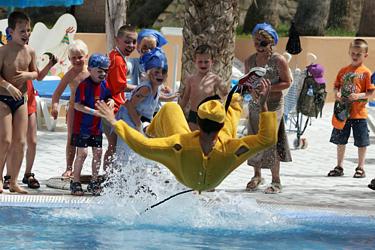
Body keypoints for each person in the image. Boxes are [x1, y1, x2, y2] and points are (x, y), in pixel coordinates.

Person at [95, 78, 278, 192]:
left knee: (172, 108)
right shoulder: (231, 147)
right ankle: (237, 96)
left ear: (197, 123)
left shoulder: (179, 144)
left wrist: (114, 122)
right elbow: (268, 138)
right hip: (215, 176)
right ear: (219, 126)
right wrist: (263, 104)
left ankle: (150, 129)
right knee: (231, 117)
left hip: (186, 176)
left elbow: (141, 145)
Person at [244, 23, 292, 194]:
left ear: (271, 43)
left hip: (273, 104)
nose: (259, 46)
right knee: (255, 138)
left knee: (271, 139)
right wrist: (252, 91)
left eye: (263, 43)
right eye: (256, 42)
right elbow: (247, 83)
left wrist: (268, 88)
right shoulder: (250, 60)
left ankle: (276, 180)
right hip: (256, 104)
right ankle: (256, 175)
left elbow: (287, 82)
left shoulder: (278, 60)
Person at [0, 11, 39, 194]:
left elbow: (36, 73)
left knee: (21, 142)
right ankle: (0, 178)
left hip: (21, 100)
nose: (26, 34)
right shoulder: (3, 51)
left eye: (28, 30)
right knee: (5, 140)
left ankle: (14, 181)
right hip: (3, 99)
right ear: (10, 31)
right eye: (22, 31)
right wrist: (7, 86)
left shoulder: (30, 51)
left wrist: (27, 75)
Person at [327, 39, 374, 179]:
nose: (355, 56)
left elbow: (370, 92)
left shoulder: (366, 72)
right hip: (343, 113)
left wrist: (358, 95)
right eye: (353, 53)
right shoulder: (343, 71)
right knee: (340, 140)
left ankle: (360, 167)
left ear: (365, 55)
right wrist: (337, 94)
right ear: (349, 52)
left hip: (359, 114)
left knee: (362, 141)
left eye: (358, 54)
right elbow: (336, 86)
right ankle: (339, 166)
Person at [70, 53, 114, 196]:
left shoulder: (104, 85)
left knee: (98, 153)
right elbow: (77, 105)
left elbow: (109, 97)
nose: (103, 74)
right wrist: (94, 112)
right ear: (90, 69)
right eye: (99, 71)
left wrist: (111, 102)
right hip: (82, 126)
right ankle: (75, 181)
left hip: (96, 127)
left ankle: (94, 181)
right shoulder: (84, 85)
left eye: (105, 71)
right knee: (82, 153)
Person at [115, 47, 168, 164]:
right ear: (149, 73)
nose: (160, 75)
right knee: (126, 154)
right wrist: (138, 125)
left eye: (163, 72)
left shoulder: (157, 87)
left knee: (139, 155)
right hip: (128, 119)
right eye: (156, 72)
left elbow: (155, 98)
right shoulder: (146, 88)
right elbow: (129, 105)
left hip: (136, 119)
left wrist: (171, 97)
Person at [51, 40, 90, 177]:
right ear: (69, 59)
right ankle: (69, 167)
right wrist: (55, 106)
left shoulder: (91, 73)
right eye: (73, 58)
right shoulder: (70, 74)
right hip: (74, 110)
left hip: (89, 111)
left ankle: (79, 168)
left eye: (80, 57)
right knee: (71, 138)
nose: (77, 60)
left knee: (86, 140)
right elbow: (57, 93)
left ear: (86, 56)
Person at [104, 24, 137, 174]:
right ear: (117, 40)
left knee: (114, 145)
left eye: (134, 42)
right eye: (127, 41)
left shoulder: (115, 56)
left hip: (113, 107)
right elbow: (120, 86)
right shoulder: (117, 60)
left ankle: (110, 176)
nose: (131, 45)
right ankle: (107, 178)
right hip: (112, 109)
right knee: (113, 145)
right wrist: (141, 88)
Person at [179, 44, 228, 131]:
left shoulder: (215, 79)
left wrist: (224, 88)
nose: (203, 64)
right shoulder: (191, 79)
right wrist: (178, 110)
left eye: (206, 62)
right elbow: (185, 98)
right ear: (195, 62)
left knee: (207, 137)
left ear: (212, 62)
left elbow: (225, 93)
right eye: (200, 61)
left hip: (209, 115)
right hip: (194, 114)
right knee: (193, 137)